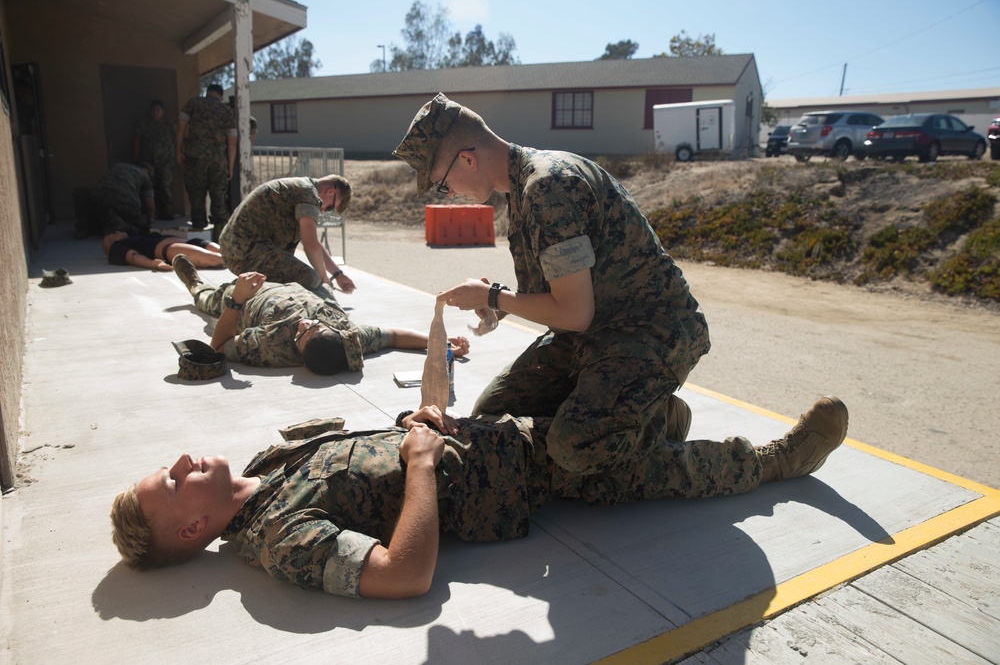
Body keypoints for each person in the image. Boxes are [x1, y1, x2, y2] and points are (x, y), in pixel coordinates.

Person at [109, 299, 850, 598]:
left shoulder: (267, 467)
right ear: (189, 530)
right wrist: (424, 463)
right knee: (643, 469)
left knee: (569, 338)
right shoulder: (282, 540)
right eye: (171, 483)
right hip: (523, 477)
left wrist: (415, 422)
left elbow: (371, 452)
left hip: (486, 431)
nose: (180, 463)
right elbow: (405, 574)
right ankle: (776, 459)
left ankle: (651, 419)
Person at [394, 92, 711, 478]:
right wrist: (495, 299)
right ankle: (612, 407)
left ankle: (661, 419)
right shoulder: (522, 187)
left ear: (467, 159)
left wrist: (494, 297)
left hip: (650, 332)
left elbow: (575, 313)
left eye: (443, 185)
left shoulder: (547, 187)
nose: (450, 195)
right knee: (492, 414)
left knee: (574, 447)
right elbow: (565, 295)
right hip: (595, 330)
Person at [171, 254, 469, 374]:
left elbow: (218, 347)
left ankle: (195, 284)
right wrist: (439, 344)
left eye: (301, 333)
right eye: (314, 325)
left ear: (298, 353)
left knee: (210, 302)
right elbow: (393, 336)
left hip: (249, 298)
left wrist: (236, 300)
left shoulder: (271, 348)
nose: (305, 323)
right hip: (289, 284)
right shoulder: (347, 336)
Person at [219, 175, 356, 301]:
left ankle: (246, 291)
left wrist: (337, 274)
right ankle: (234, 294)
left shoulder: (302, 187)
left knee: (306, 277)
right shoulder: (308, 195)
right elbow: (310, 245)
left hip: (237, 250)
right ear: (330, 192)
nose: (323, 210)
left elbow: (313, 242)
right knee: (311, 279)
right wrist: (324, 281)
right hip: (245, 253)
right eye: (330, 208)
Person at [176, 84, 236, 231]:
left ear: (207, 93)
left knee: (196, 199)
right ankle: (219, 237)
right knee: (218, 200)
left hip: (194, 159)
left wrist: (178, 151)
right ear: (221, 97)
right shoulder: (226, 111)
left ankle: (199, 237)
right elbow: (232, 142)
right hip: (217, 161)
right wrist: (230, 166)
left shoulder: (193, 104)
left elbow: (180, 128)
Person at [81, 162, 156, 237]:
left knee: (102, 212)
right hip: (124, 199)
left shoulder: (118, 165)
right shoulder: (145, 177)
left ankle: (87, 227)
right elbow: (151, 207)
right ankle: (123, 228)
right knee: (143, 229)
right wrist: (149, 220)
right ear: (147, 171)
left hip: (98, 194)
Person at [133, 99, 176, 220]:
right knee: (149, 186)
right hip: (147, 161)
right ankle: (151, 212)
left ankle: (166, 211)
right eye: (153, 110)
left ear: (163, 111)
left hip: (165, 161)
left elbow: (177, 139)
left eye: (158, 110)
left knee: (165, 186)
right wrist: (136, 158)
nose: (155, 112)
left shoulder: (169, 125)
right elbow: (137, 140)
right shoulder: (143, 124)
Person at [101, 231, 224, 271]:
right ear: (109, 245)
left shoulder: (136, 236)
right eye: (111, 235)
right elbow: (132, 257)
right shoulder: (117, 246)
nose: (116, 232)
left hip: (187, 242)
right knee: (217, 259)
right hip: (169, 249)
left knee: (228, 252)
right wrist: (154, 264)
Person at [226, 94, 258, 217]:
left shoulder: (250, 121)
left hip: (240, 159)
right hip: (228, 157)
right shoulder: (227, 118)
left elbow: (250, 141)